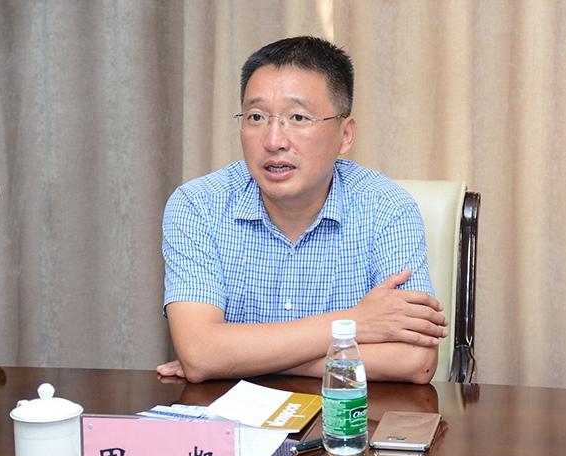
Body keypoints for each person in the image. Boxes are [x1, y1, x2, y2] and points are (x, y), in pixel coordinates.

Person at [156, 36, 447, 384]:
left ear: (345, 135)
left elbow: (415, 360)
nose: (273, 141)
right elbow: (200, 353)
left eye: (297, 117)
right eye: (256, 116)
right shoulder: (197, 205)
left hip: (345, 416)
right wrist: (354, 322)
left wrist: (240, 359)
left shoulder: (387, 208)